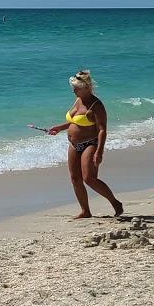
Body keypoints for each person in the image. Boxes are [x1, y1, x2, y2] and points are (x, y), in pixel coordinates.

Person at [45, 70, 123, 219]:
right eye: (73, 88)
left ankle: (115, 202)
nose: (73, 90)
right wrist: (60, 128)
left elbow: (102, 130)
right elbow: (74, 121)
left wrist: (99, 152)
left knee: (89, 178)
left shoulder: (96, 105)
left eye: (77, 88)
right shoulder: (78, 99)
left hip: (90, 144)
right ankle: (85, 210)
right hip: (74, 144)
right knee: (75, 178)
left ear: (87, 87)